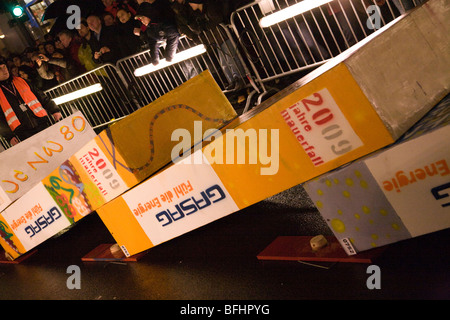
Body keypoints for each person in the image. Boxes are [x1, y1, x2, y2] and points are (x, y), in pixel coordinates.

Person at [0, 58, 61, 146]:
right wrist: (9, 137)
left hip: (41, 122)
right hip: (22, 132)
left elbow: (41, 96)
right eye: (0, 68)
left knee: (56, 146)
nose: (4, 70)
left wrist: (54, 110)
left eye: (4, 66)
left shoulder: (21, 80)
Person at [135, 0, 180, 65]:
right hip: (173, 53)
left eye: (142, 17)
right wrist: (155, 60)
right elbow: (152, 41)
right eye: (140, 19)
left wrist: (169, 56)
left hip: (180, 49)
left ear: (148, 14)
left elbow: (173, 35)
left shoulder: (162, 21)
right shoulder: (150, 27)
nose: (142, 21)